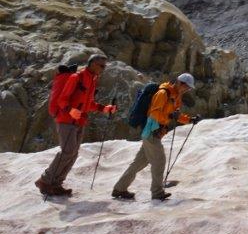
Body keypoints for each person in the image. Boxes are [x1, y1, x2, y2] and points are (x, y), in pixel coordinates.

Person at [36, 54, 117, 197]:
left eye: (105, 66)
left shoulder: (92, 80)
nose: (103, 69)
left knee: (73, 153)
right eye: (101, 65)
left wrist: (104, 108)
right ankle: (45, 180)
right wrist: (70, 110)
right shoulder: (76, 78)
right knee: (68, 151)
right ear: (91, 63)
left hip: (79, 121)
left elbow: (88, 104)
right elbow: (62, 100)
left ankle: (57, 184)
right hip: (66, 120)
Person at [112, 73, 199, 202]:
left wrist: (190, 120)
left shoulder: (175, 96)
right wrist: (162, 123)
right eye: (187, 87)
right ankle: (157, 193)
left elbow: (175, 114)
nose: (188, 90)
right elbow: (154, 112)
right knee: (159, 162)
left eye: (189, 88)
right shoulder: (163, 93)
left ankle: (119, 189)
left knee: (138, 164)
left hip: (155, 131)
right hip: (152, 131)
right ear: (180, 83)